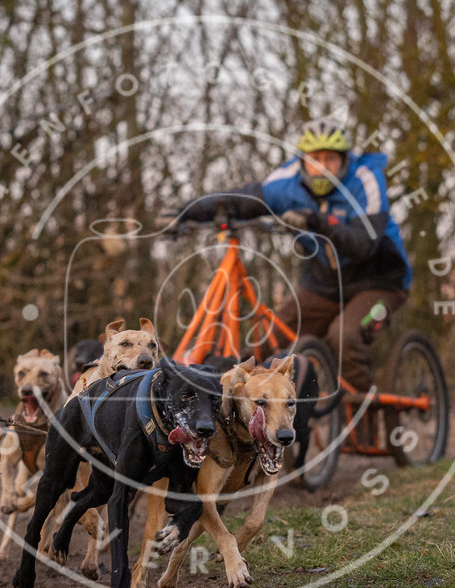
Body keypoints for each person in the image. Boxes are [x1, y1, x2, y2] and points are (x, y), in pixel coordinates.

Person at [176, 117, 411, 392]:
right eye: (314, 159)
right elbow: (239, 199)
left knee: (344, 336)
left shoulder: (365, 180)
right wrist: (184, 212)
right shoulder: (286, 183)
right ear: (302, 162)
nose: (321, 168)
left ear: (345, 161)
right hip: (323, 287)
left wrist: (318, 221)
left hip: (380, 285)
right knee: (264, 340)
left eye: (330, 160)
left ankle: (363, 428)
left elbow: (363, 244)